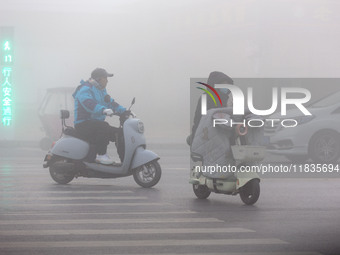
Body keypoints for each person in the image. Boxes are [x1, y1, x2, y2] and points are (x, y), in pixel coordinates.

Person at [73, 68, 127, 165]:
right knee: (103, 126)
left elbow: (110, 102)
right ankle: (101, 155)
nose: (107, 80)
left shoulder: (101, 90)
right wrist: (103, 110)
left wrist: (124, 111)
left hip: (95, 124)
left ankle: (125, 161)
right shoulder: (85, 88)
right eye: (105, 78)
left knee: (120, 133)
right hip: (83, 123)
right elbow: (88, 103)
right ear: (98, 79)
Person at [189, 71, 234, 145]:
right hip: (209, 135)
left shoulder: (226, 99)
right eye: (223, 84)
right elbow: (199, 120)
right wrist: (194, 139)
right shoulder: (207, 98)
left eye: (227, 84)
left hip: (223, 136)